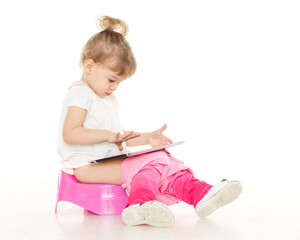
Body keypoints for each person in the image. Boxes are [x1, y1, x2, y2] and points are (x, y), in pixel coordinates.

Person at [57, 15, 242, 227]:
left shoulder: (107, 98)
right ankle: (140, 204)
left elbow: (119, 139)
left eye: (119, 83)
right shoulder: (81, 93)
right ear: (89, 66)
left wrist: (148, 139)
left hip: (103, 161)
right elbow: (70, 133)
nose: (114, 87)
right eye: (111, 80)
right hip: (84, 167)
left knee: (161, 157)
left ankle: (200, 194)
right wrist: (108, 136)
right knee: (145, 165)